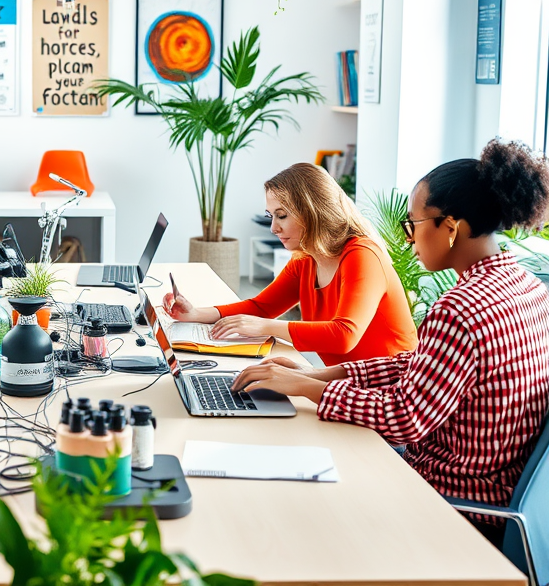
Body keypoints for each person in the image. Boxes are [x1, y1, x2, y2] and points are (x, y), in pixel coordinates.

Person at [232, 139, 549, 545]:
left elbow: (406, 417)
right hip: (486, 487)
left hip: (450, 502)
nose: (406, 241)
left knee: (281, 502)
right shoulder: (526, 286)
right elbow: (419, 367)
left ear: (451, 228)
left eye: (413, 225)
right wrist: (322, 373)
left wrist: (307, 388)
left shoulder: (461, 309)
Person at [163, 162, 417, 365]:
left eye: (282, 216)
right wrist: (195, 314)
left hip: (390, 391)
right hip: (348, 382)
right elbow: (261, 307)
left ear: (313, 212)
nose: (274, 228)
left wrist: (263, 327)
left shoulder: (362, 254)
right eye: (271, 216)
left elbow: (344, 336)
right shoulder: (306, 259)